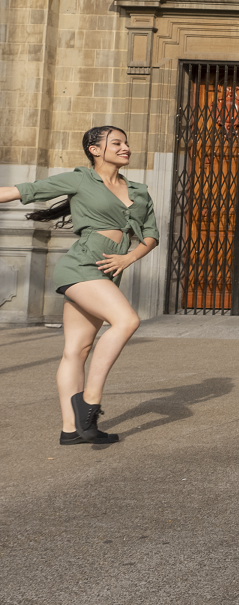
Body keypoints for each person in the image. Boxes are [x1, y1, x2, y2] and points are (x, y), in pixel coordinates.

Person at [0, 126, 159, 446]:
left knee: (77, 350)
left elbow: (151, 235)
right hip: (81, 266)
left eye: (126, 143)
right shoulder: (80, 179)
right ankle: (90, 401)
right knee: (127, 321)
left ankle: (71, 429)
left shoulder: (139, 190)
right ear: (94, 149)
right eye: (116, 143)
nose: (125, 147)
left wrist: (129, 258)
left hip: (110, 270)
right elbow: (21, 189)